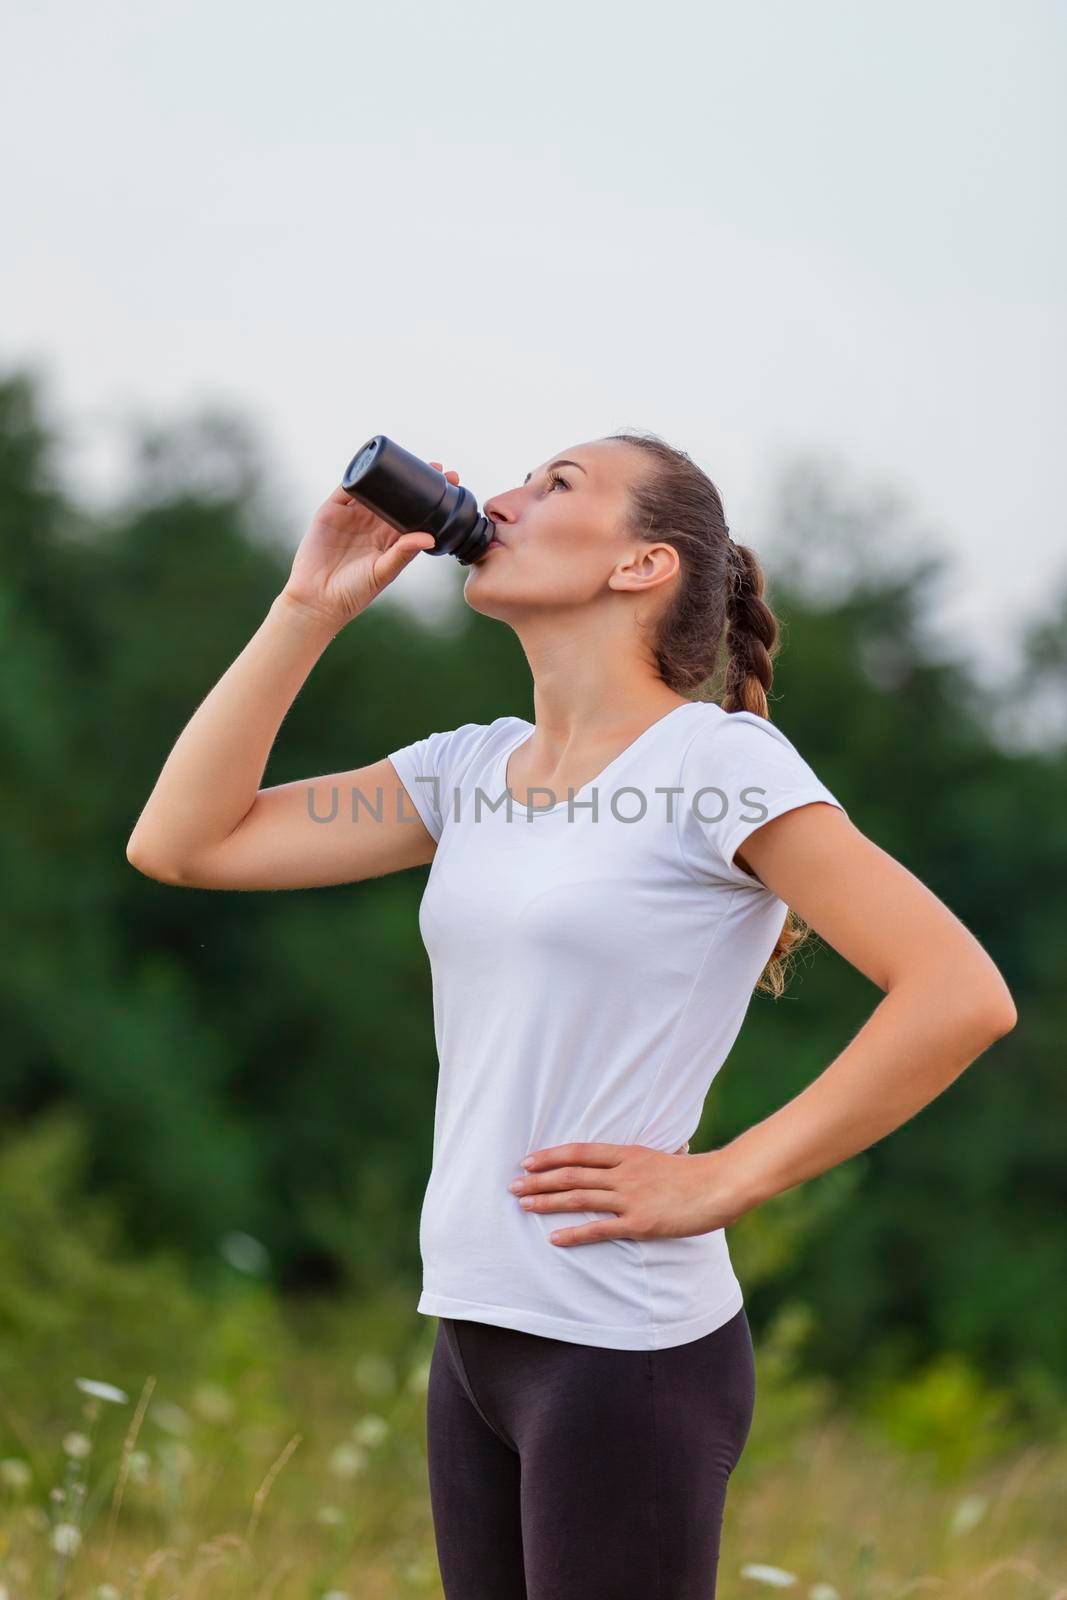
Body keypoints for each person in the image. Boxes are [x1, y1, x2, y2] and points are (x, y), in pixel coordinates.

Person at [126, 430, 1017, 1600]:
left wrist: (724, 1176)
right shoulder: (467, 771)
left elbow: (958, 991)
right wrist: (307, 606)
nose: (497, 500)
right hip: (476, 1332)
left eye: (554, 485)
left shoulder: (716, 763)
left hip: (622, 1346)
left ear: (640, 565)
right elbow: (183, 843)